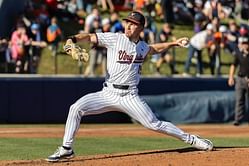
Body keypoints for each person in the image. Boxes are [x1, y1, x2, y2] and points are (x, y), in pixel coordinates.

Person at [46, 11, 213, 162]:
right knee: (76, 108)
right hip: (108, 92)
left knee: (154, 124)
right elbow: (89, 36)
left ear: (140, 28)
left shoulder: (141, 46)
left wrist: (174, 43)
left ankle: (192, 139)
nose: (128, 26)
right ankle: (66, 149)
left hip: (130, 96)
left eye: (133, 23)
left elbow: (153, 49)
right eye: (127, 22)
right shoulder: (115, 38)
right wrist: (72, 39)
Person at [228, 35, 249, 126]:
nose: (243, 45)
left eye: (245, 43)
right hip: (240, 78)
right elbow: (233, 65)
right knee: (239, 99)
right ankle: (238, 120)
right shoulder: (239, 53)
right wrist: (231, 77)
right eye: (242, 43)